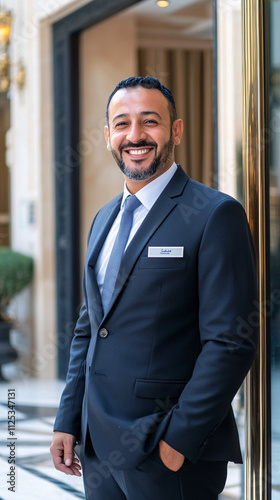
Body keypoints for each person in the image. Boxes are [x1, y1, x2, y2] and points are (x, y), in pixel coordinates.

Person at [51, 76, 258, 500]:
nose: (136, 135)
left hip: (166, 452)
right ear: (108, 136)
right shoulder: (103, 220)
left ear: (176, 130)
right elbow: (89, 329)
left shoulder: (215, 215)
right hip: (97, 449)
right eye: (122, 124)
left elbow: (230, 342)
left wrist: (178, 442)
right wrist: (67, 419)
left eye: (150, 121)